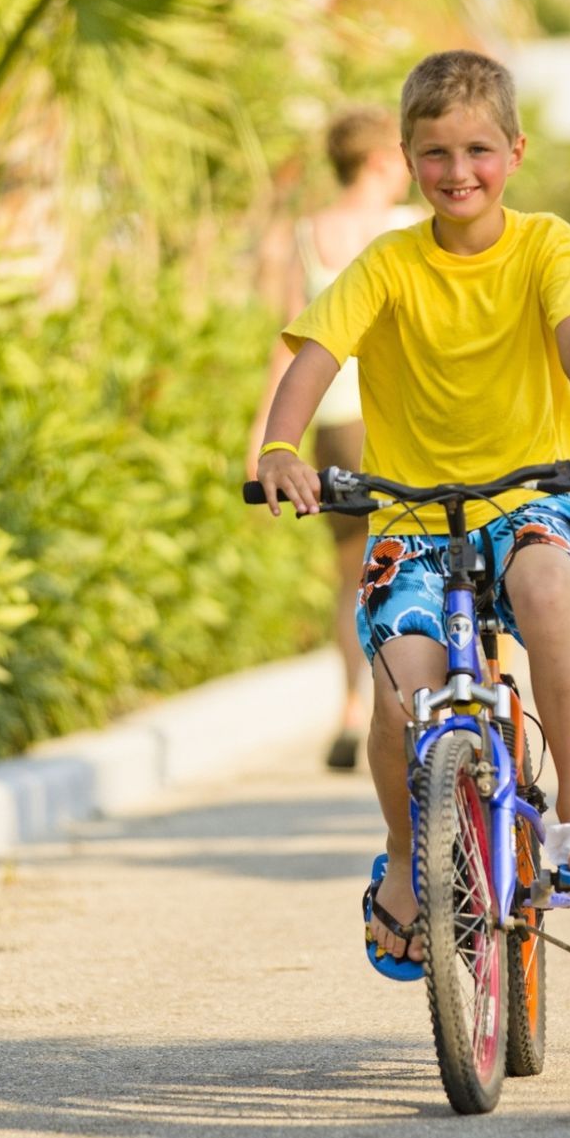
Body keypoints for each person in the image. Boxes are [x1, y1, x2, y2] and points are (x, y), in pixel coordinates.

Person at [254, 50, 570, 969]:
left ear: (515, 151)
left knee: (543, 589)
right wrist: (280, 447)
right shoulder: (388, 262)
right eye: (434, 152)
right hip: (414, 520)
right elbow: (316, 353)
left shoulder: (548, 247)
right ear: (406, 158)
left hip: (532, 499)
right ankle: (405, 854)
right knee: (404, 695)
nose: (457, 170)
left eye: (477, 150)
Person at [248, 106, 422, 770]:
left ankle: (354, 704)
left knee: (353, 573)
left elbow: (290, 342)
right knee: (424, 554)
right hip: (400, 417)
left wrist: (269, 437)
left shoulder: (308, 232)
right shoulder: (409, 228)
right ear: (379, 161)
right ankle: (423, 698)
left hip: (330, 424)